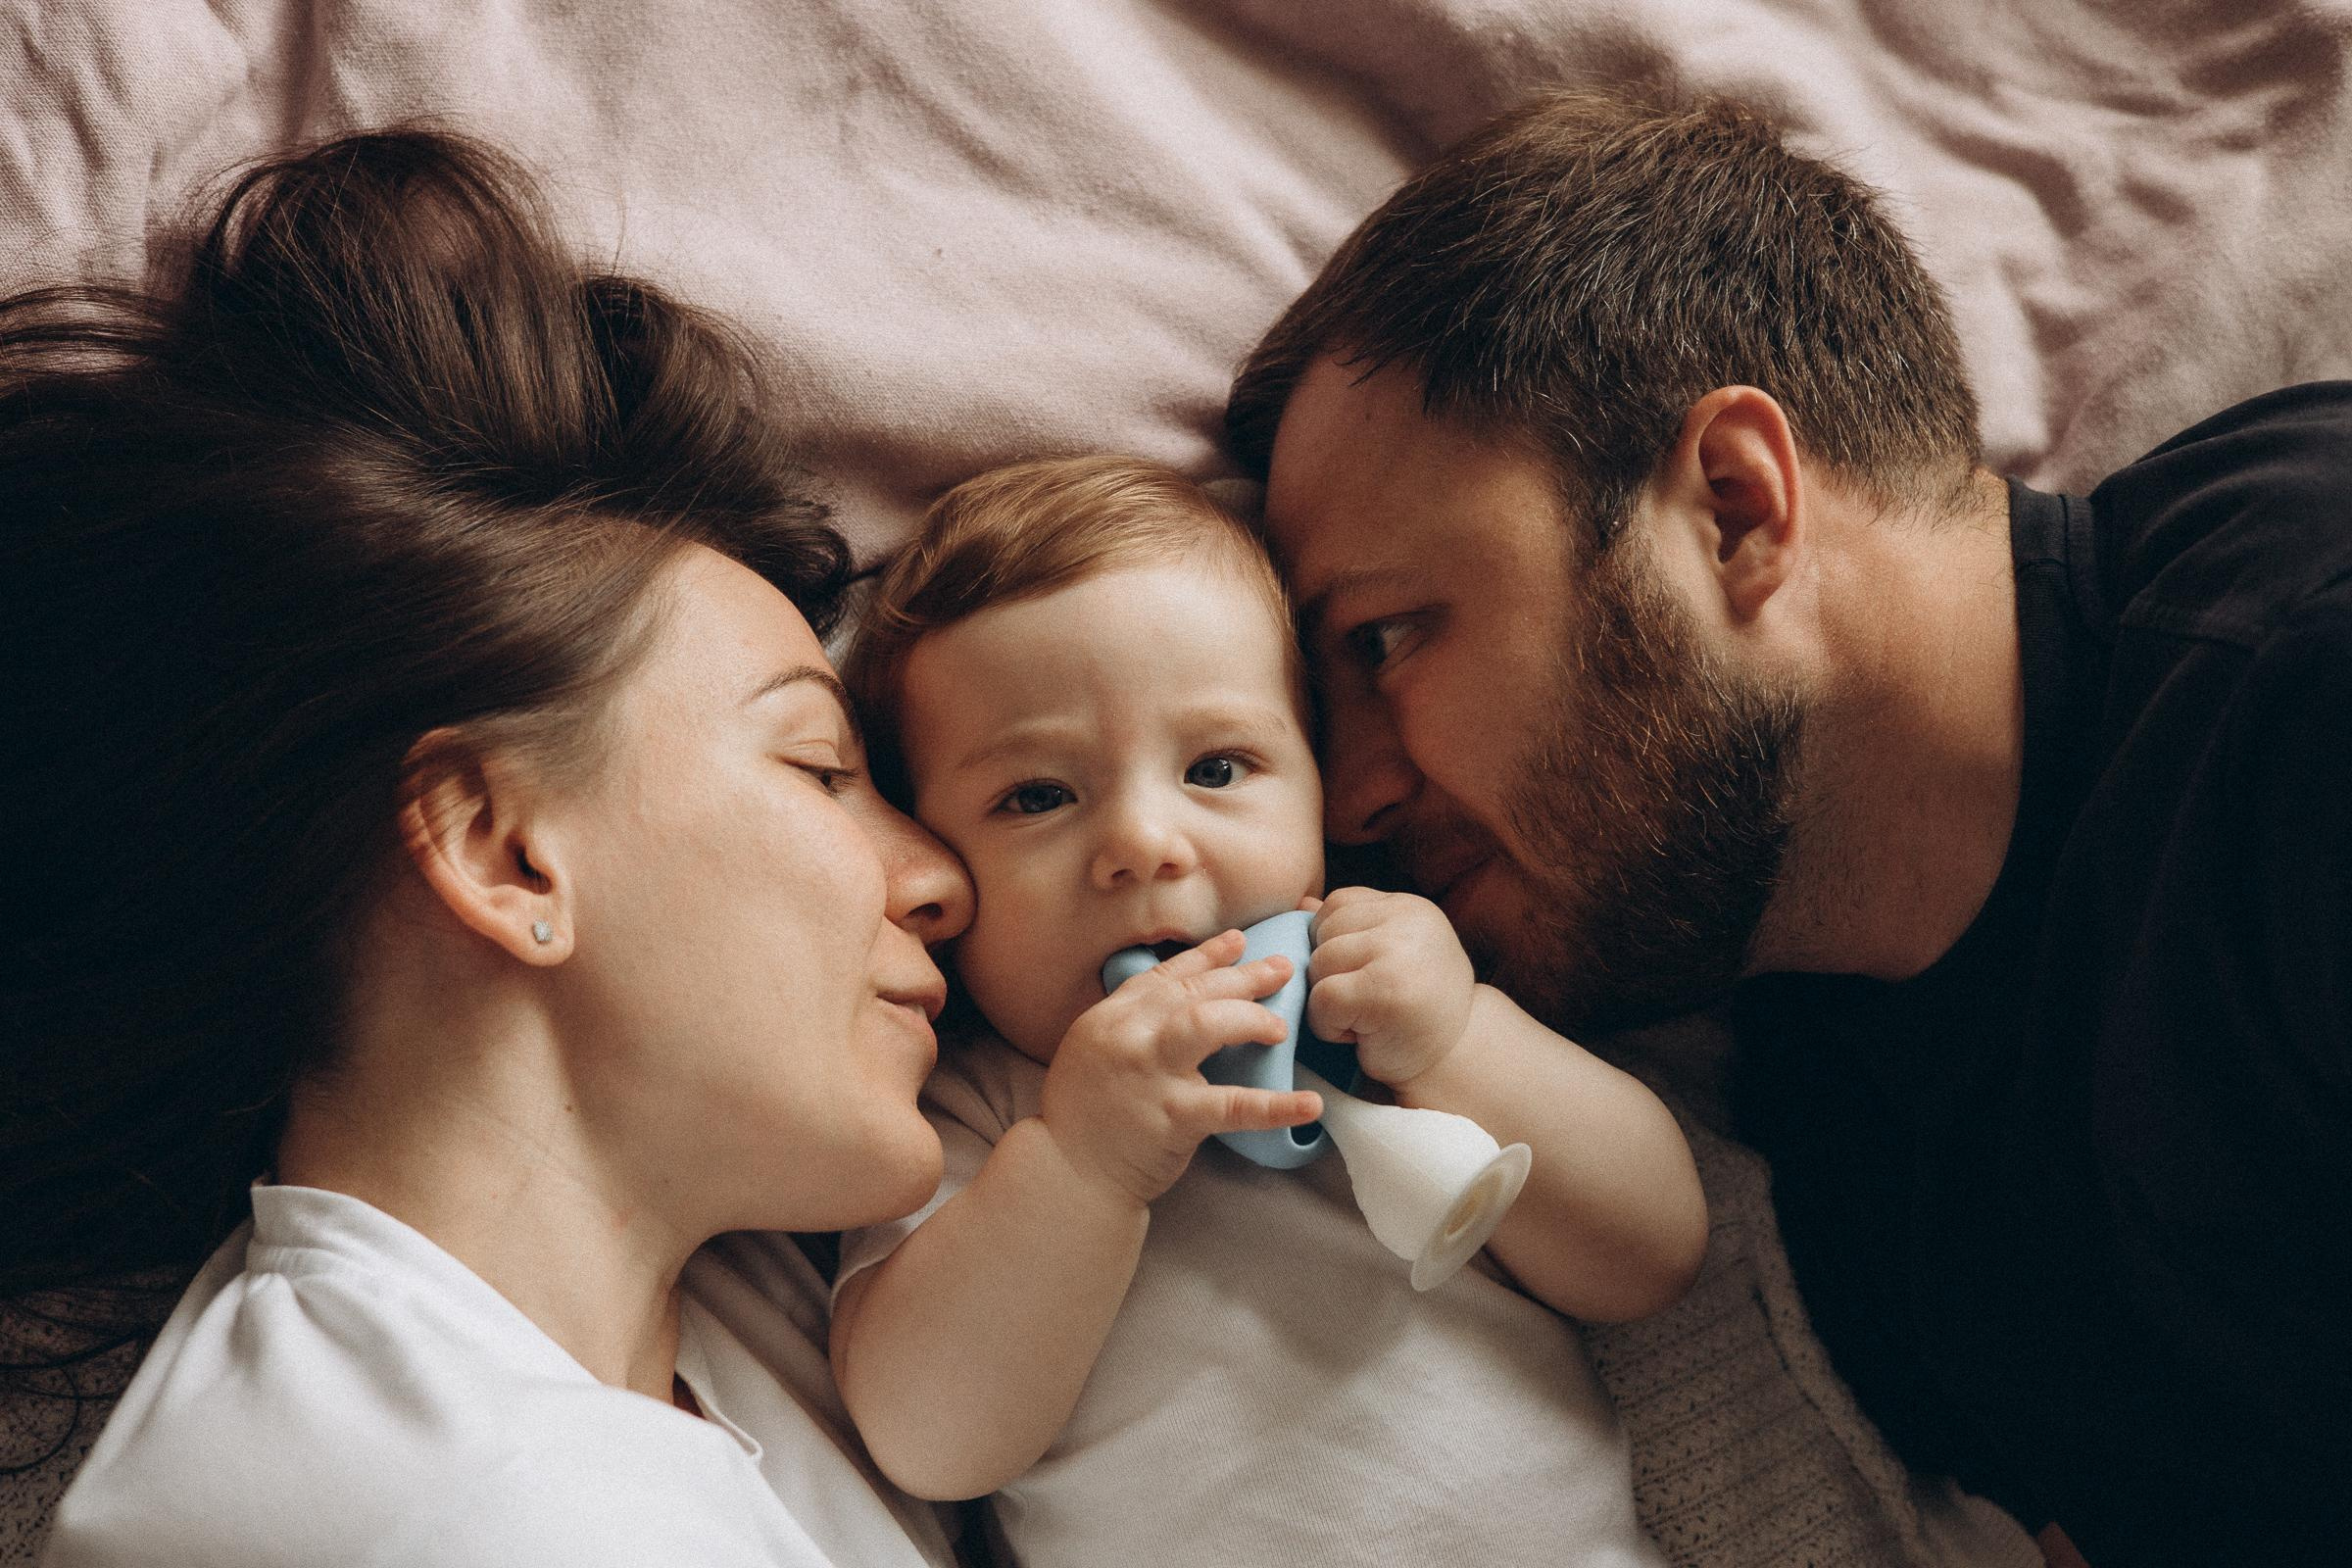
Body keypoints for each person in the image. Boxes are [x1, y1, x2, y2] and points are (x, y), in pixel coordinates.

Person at [1223, 85, 2352, 1566]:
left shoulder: (2295, 669)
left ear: (1737, 508)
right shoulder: (1838, 1159)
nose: (1353, 791)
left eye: (1383, 639)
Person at [2, 128, 979, 1567]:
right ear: (504, 851)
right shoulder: (452, 1510)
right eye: (823, 769)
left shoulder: (749, 1341)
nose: (940, 876)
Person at [827, 455, 1703, 1568]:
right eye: (1037, 796)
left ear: (1322, 798)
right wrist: (1084, 1164)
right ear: (935, 863)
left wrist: (1457, 1034)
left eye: (1218, 766)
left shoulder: (1393, 1003)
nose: (1145, 842)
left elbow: (1653, 1254)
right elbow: (926, 1441)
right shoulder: (981, 1108)